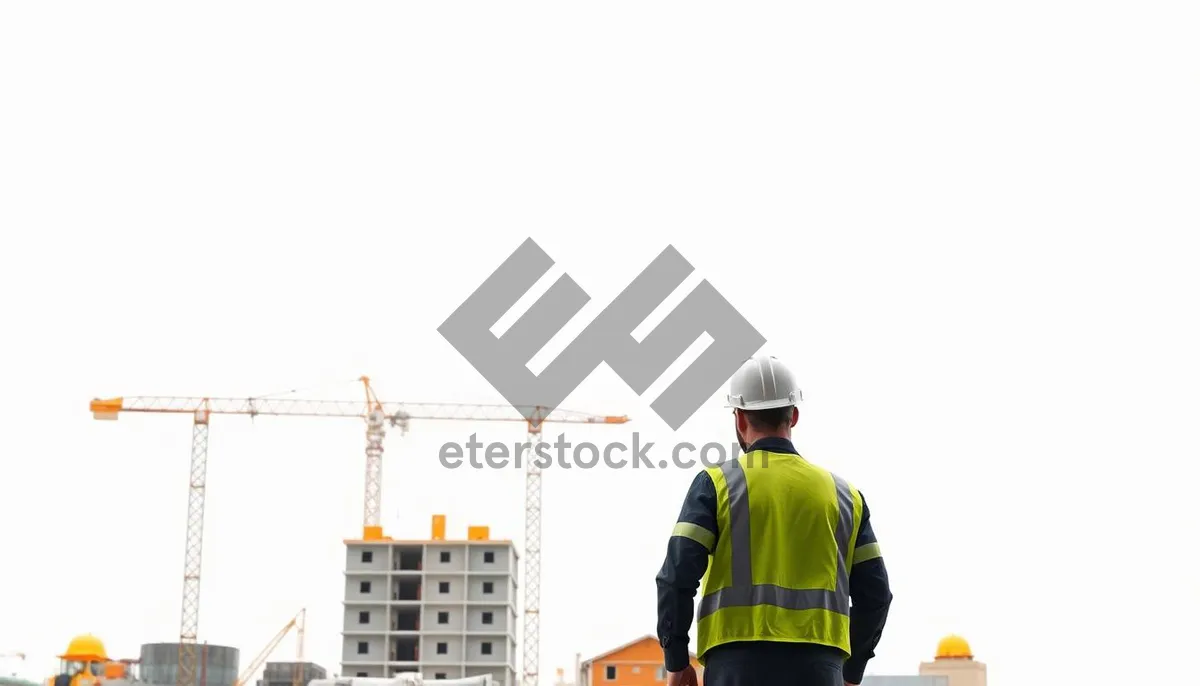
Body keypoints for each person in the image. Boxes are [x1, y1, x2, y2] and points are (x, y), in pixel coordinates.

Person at [655, 355, 893, 686]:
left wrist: (677, 661)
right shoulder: (844, 496)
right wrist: (850, 673)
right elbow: (877, 596)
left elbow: (676, 577)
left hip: (735, 666)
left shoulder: (717, 484)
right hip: (820, 668)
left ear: (739, 419)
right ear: (793, 415)